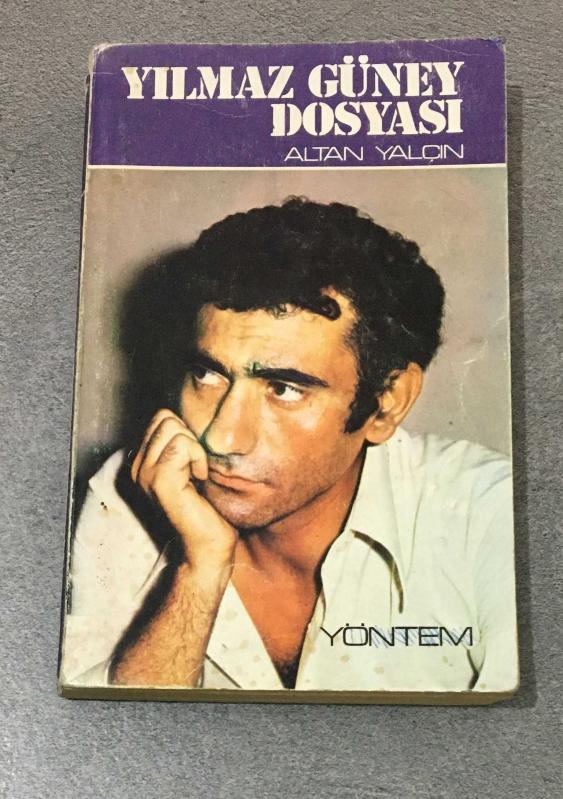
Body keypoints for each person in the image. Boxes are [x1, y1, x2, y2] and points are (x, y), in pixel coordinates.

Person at [61, 198, 518, 695]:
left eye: (283, 388)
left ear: (386, 404)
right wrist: (201, 567)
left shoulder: (490, 514)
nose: (223, 437)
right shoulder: (130, 491)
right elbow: (115, 735)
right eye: (208, 375)